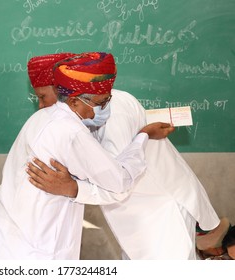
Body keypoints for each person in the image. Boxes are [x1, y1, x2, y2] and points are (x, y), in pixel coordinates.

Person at [0, 52, 174, 260]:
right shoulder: (71, 132)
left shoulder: (42, 118)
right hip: (35, 249)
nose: (105, 108)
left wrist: (73, 188)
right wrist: (143, 136)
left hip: (8, 238)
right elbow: (119, 181)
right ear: (75, 102)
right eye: (101, 102)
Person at [26, 52, 224, 259]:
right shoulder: (77, 115)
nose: (41, 105)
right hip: (140, 216)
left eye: (42, 97)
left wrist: (72, 188)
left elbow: (118, 179)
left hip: (162, 211)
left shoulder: (109, 109)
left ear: (63, 92)